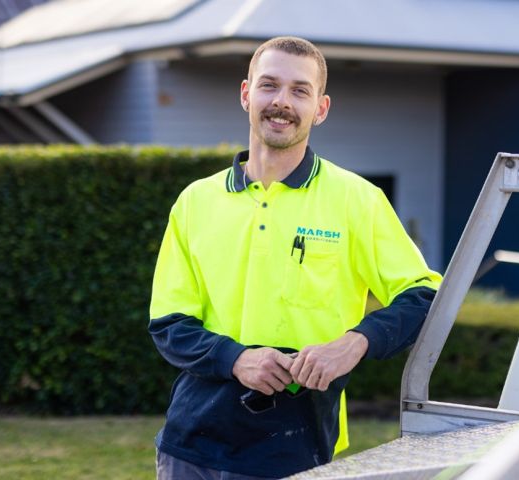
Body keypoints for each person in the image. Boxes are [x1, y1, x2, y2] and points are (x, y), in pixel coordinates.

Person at [148, 36, 442, 479]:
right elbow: (170, 324)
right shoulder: (195, 202)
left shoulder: (357, 200)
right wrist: (236, 359)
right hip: (191, 446)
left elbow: (425, 296)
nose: (281, 102)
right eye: (269, 86)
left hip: (296, 446)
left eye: (299, 90)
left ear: (320, 109)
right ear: (247, 94)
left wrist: (355, 342)